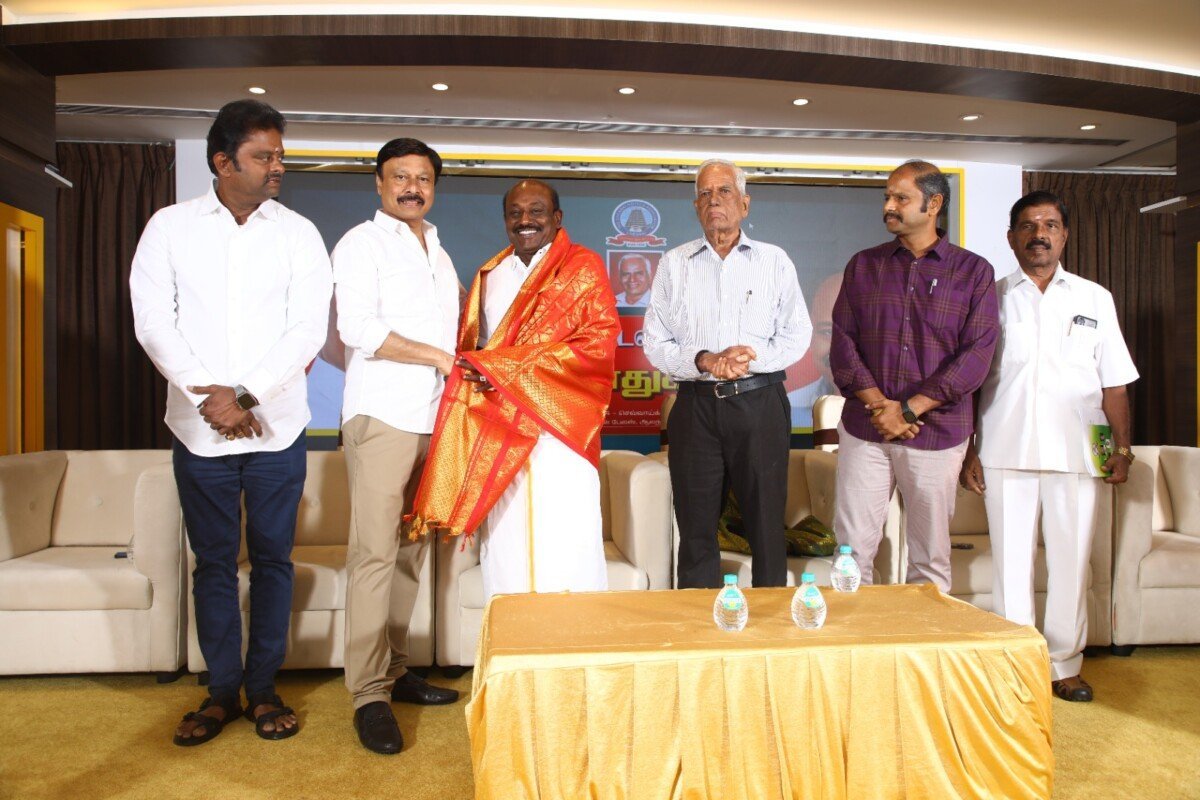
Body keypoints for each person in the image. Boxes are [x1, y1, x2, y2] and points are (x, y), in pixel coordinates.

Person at [130, 100, 332, 745]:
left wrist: (243, 395)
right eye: (263, 156)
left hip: (278, 427)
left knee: (273, 561)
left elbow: (307, 328)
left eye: (280, 155)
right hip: (198, 428)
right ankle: (221, 692)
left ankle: (263, 687)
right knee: (213, 563)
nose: (278, 167)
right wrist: (211, 398)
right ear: (222, 162)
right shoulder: (170, 227)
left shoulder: (298, 233)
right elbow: (153, 322)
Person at [961, 190, 1138, 702]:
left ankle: (1064, 665)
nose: (1040, 235)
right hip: (1004, 450)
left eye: (1051, 225)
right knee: (1011, 566)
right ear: (1011, 237)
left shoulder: (1094, 298)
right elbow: (971, 383)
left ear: (1064, 235)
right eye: (1029, 226)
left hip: (1077, 453)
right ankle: (1016, 663)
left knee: (1070, 564)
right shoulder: (988, 298)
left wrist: (1122, 450)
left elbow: (1114, 383)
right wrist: (970, 450)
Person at [407, 179, 618, 601]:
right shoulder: (492, 275)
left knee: (569, 541)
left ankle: (575, 639)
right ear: (505, 220)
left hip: (561, 431)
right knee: (507, 544)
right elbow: (475, 351)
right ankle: (510, 637)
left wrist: (504, 369)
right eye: (515, 213)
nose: (525, 220)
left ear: (557, 218)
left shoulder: (582, 267)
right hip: (501, 431)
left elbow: (597, 345)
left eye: (536, 211)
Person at [331, 138, 461, 755]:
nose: (413, 187)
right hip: (381, 415)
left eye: (423, 178)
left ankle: (397, 669)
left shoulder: (438, 249)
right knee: (375, 554)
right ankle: (367, 694)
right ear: (380, 185)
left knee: (412, 552)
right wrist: (437, 356)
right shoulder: (361, 244)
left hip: (433, 418)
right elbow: (357, 328)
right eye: (400, 177)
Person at [643, 158, 812, 588]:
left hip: (759, 403)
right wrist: (704, 360)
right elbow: (655, 342)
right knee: (695, 527)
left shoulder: (774, 261)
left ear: (745, 203)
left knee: (766, 524)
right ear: (695, 206)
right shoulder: (674, 264)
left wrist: (749, 359)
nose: (713, 200)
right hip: (695, 407)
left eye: (724, 191)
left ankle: (771, 619)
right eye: (704, 193)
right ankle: (699, 619)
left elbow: (797, 334)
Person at [830, 160, 998, 591]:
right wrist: (880, 408)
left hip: (937, 431)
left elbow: (976, 355)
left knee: (929, 558)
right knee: (851, 552)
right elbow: (843, 344)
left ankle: (924, 636)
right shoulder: (863, 265)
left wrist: (908, 410)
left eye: (901, 198)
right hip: (866, 430)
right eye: (887, 196)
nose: (889, 206)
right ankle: (854, 634)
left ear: (934, 204)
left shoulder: (974, 272)